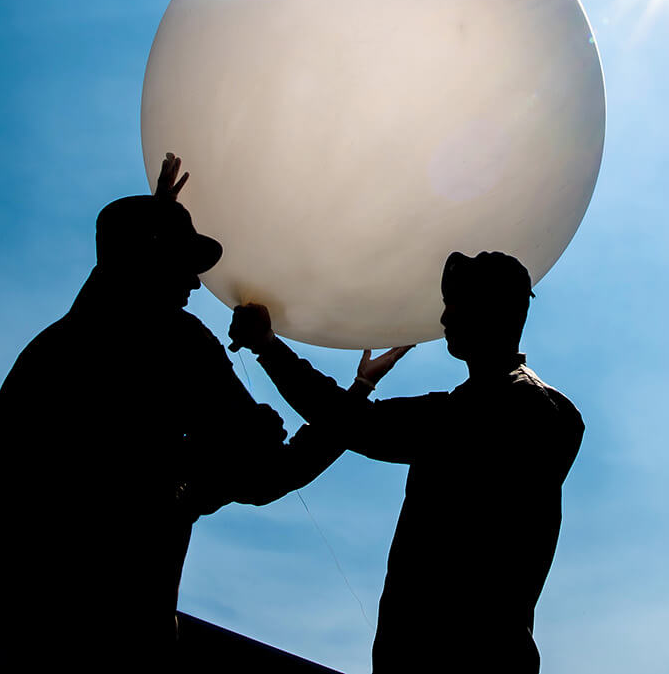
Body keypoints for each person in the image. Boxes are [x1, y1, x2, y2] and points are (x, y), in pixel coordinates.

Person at [0, 154, 374, 667]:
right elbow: (270, 469)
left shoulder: (51, 350)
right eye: (184, 267)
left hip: (0, 613)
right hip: (111, 641)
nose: (192, 285)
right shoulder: (177, 347)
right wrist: (348, 393)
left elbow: (103, 304)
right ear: (153, 262)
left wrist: (156, 215)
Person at [229, 250, 585, 674]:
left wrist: (268, 347)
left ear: (492, 312)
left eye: (457, 304)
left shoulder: (508, 410)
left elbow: (355, 424)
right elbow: (358, 424)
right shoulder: (513, 408)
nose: (444, 319)